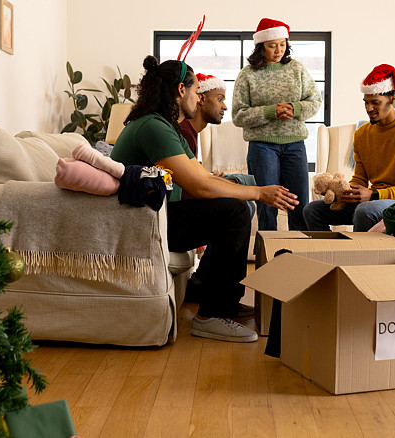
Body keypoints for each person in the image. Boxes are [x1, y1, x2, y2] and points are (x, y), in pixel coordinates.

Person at [110, 56, 298, 343]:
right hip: (138, 222)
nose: (199, 99)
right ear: (181, 91)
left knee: (235, 207)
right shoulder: (153, 127)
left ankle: (225, 304)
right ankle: (211, 315)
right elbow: (198, 186)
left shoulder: (168, 128)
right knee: (233, 212)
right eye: (198, 91)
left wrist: (258, 191)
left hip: (157, 217)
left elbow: (206, 177)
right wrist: (258, 193)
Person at [303, 64, 395, 231]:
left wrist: (374, 194)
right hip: (373, 199)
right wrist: (347, 192)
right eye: (366, 103)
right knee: (312, 210)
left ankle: (359, 254)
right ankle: (328, 253)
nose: (369, 109)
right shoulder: (362, 133)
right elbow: (360, 178)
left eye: (375, 103)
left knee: (364, 210)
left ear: (392, 98)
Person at [232, 18, 322, 231]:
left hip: (295, 145)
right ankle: (268, 257)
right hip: (262, 147)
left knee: (299, 204)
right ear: (261, 46)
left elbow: (315, 101)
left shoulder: (297, 69)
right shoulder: (247, 75)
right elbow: (238, 115)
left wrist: (295, 109)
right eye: (272, 46)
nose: (278, 50)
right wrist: (271, 111)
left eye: (282, 44)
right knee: (267, 206)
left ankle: (300, 255)